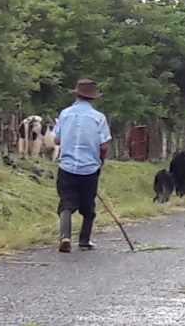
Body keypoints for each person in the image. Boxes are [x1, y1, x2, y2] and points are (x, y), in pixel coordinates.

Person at [53, 78, 112, 253]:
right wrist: (101, 160)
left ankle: (65, 236)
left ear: (77, 95)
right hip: (89, 168)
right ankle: (84, 241)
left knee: (66, 203)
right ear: (93, 98)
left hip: (67, 166)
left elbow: (56, 139)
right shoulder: (98, 118)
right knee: (88, 206)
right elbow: (104, 145)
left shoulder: (65, 114)